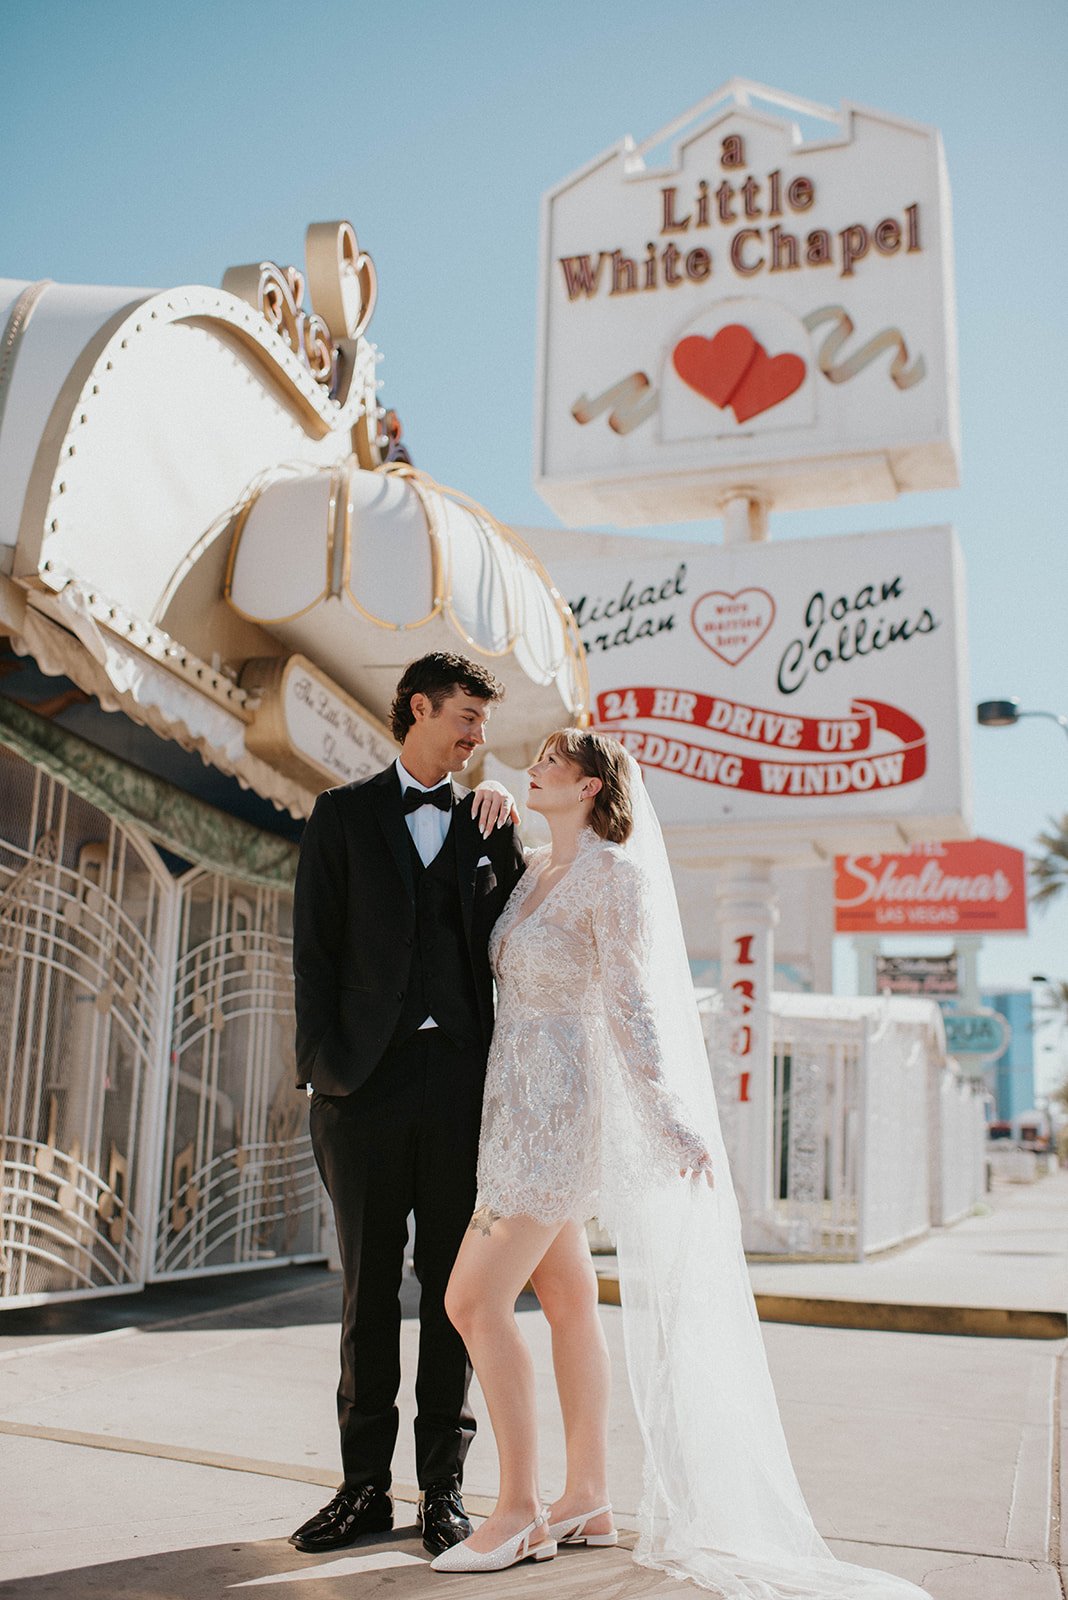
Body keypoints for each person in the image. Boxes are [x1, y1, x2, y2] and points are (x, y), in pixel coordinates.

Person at [432, 729, 936, 1600]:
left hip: (558, 1118)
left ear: (591, 786)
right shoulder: (535, 874)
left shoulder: (614, 876)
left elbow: (632, 1007)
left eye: (553, 761)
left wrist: (669, 1119)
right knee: (564, 1297)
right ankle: (588, 1497)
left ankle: (516, 1512)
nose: (534, 767)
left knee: (470, 1300)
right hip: (513, 1108)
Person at [289, 652, 525, 1557]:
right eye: (465, 717)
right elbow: (313, 951)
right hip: (362, 1089)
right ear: (419, 709)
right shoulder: (341, 816)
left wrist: (500, 809)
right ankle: (360, 1490)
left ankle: (444, 1491)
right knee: (366, 1291)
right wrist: (321, 1068)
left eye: (481, 724)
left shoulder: (489, 822)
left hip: (463, 1087)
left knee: (456, 1297)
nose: (476, 737)